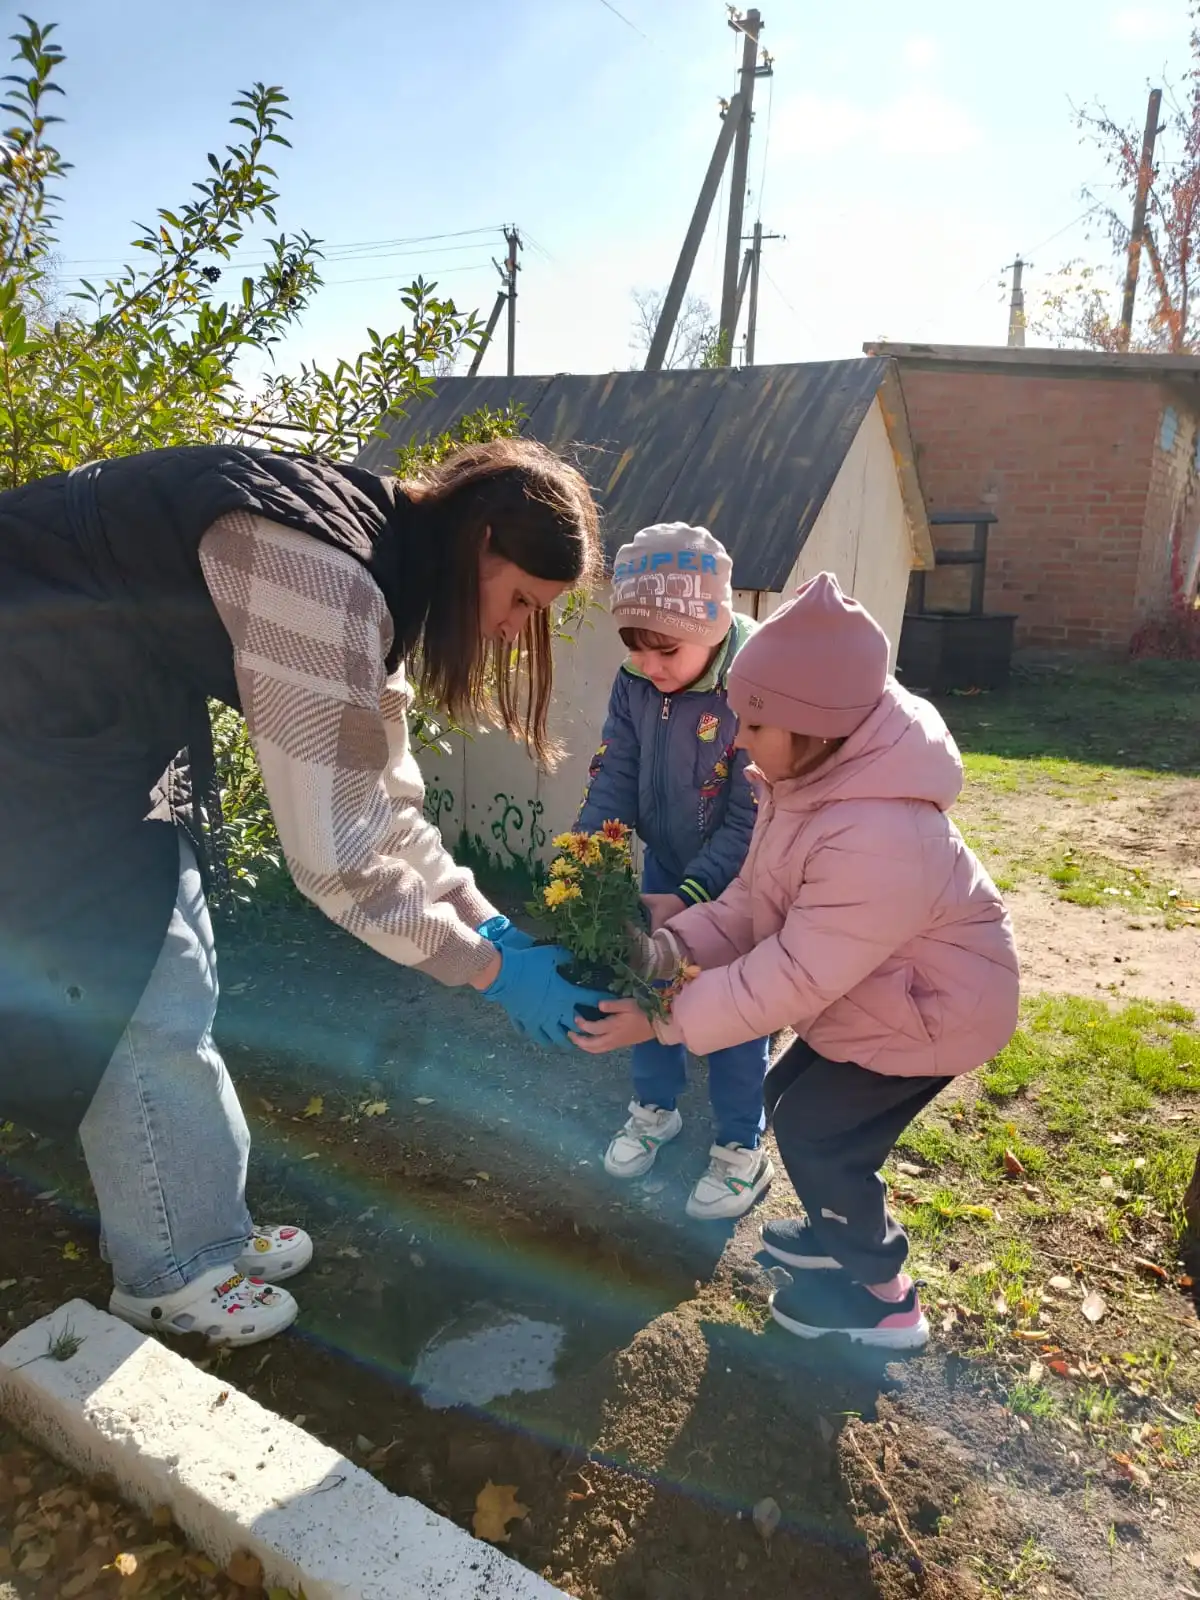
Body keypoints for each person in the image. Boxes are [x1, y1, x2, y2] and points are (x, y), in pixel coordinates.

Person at [0, 437, 605, 1345]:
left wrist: (491, 925)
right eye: (520, 600)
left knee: (184, 961)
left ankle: (209, 1228)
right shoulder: (324, 579)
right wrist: (484, 972)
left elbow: (386, 801)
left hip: (101, 695)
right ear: (481, 541)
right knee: (136, 977)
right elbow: (337, 860)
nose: (516, 630)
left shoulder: (380, 565)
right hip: (33, 699)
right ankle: (167, 1274)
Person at [572, 572, 1020, 1349]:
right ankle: (837, 1230)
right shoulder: (807, 783)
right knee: (789, 1093)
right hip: (884, 994)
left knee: (818, 1133)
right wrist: (671, 946)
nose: (737, 740)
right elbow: (751, 904)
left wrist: (661, 1020)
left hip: (933, 1012)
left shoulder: (879, 833)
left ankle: (883, 1298)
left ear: (810, 728)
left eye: (752, 723)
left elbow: (791, 974)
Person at [576, 523, 772, 1220]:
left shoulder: (756, 685)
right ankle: (654, 1109)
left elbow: (751, 825)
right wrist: (588, 852)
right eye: (634, 644)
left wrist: (692, 897)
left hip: (738, 888)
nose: (649, 662)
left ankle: (739, 1146)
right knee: (647, 985)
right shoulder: (635, 682)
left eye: (666, 648)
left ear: (715, 625)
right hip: (665, 867)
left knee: (736, 1014)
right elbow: (616, 771)